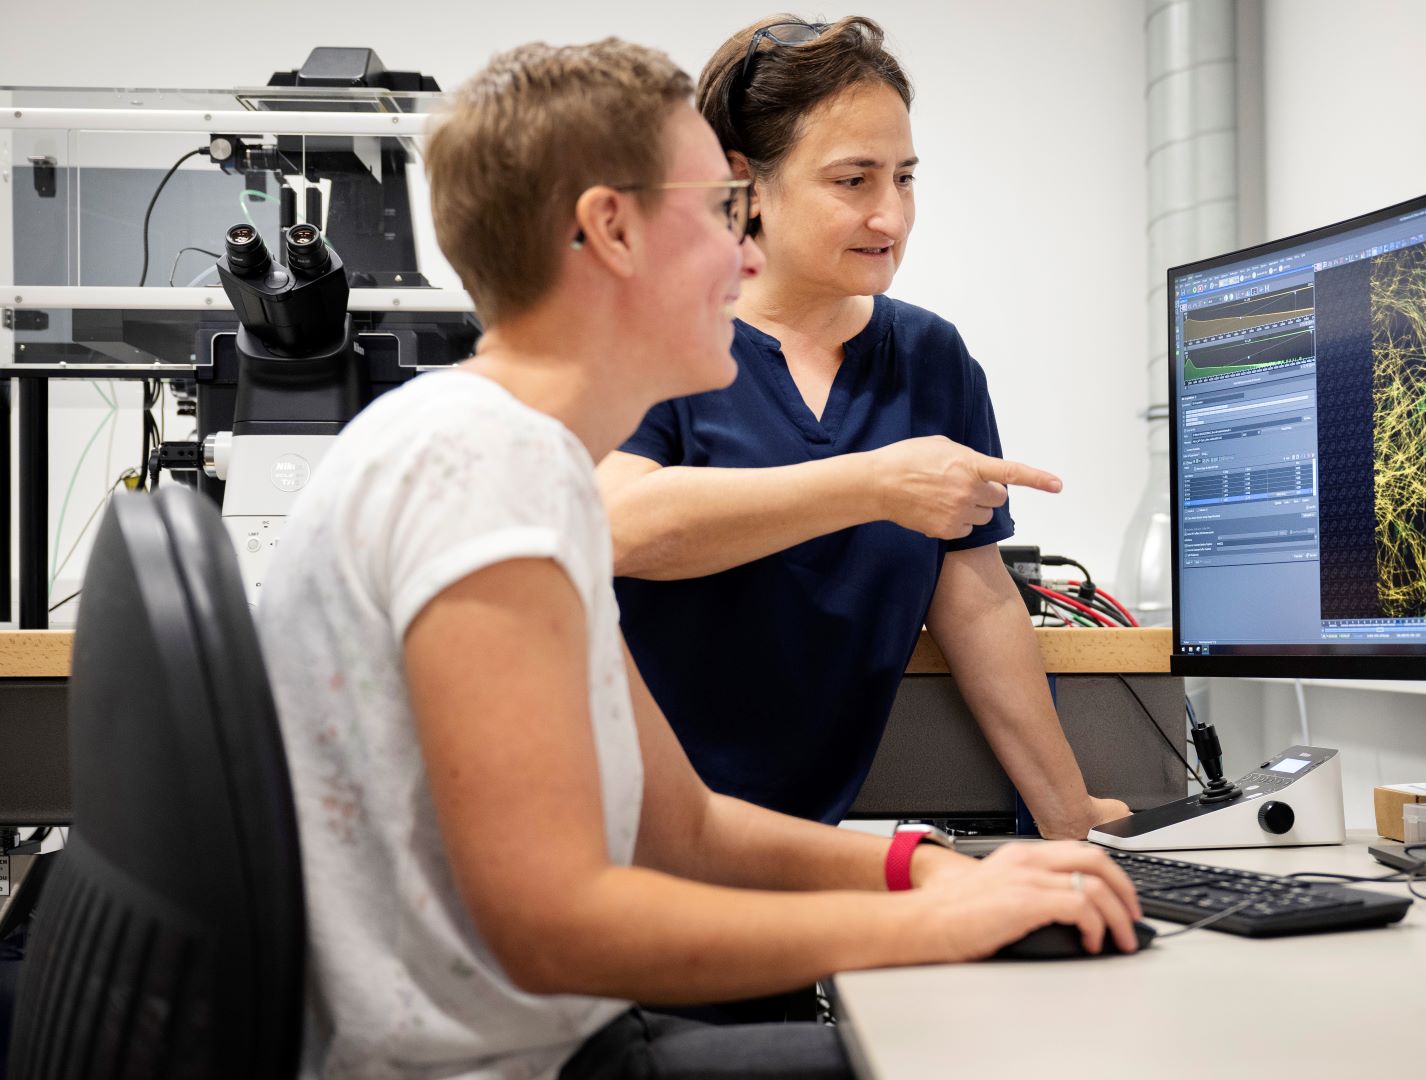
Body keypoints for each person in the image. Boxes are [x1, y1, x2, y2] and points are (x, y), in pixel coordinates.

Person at [256, 38, 1141, 1080]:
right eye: (721, 212)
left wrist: (928, 869)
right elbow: (555, 931)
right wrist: (934, 925)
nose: (747, 257)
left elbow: (684, 831)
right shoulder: (479, 472)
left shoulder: (517, 460)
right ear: (613, 230)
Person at [598, 15, 1131, 839]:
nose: (892, 217)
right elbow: (618, 526)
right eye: (853, 182)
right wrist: (874, 484)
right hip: (628, 838)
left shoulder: (930, 357)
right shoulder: (655, 333)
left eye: (906, 178)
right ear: (742, 187)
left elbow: (975, 601)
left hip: (791, 842)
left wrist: (1071, 813)